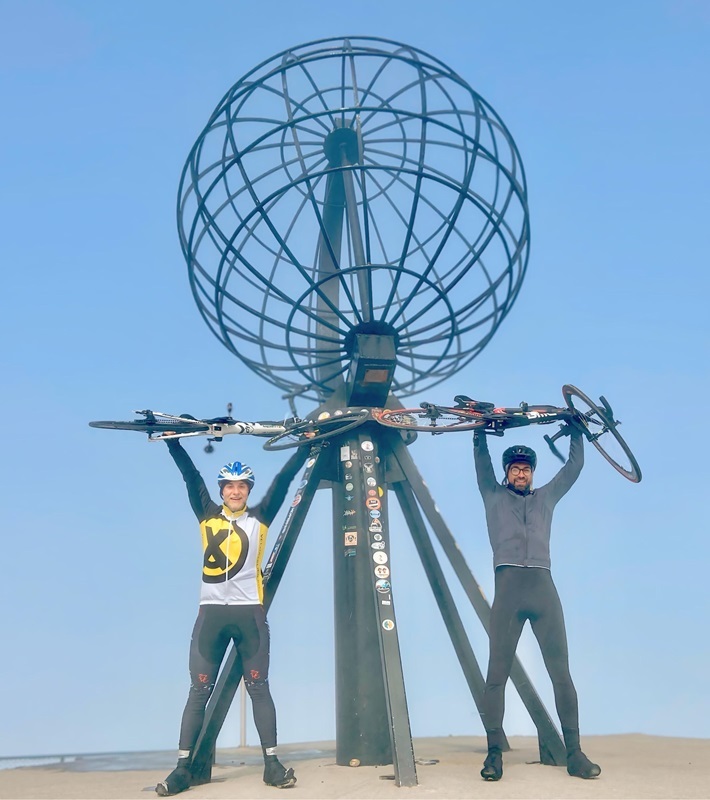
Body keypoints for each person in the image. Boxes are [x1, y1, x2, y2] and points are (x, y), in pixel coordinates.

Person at [156, 438, 307, 796]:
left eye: (241, 486)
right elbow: (190, 477)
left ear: (248, 490)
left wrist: (305, 447)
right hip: (210, 616)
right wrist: (173, 443)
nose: (235, 491)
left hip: (248, 615)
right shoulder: (207, 514)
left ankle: (272, 765)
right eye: (229, 486)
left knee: (258, 688)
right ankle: (181, 771)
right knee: (198, 693)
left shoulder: (260, 517)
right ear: (222, 490)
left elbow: (284, 480)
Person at [473, 425, 601, 782]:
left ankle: (574, 753)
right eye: (514, 468)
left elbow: (572, 471)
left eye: (525, 468)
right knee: (496, 674)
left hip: (543, 589)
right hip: (509, 590)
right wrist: (479, 434)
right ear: (506, 473)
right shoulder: (492, 495)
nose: (520, 472)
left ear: (532, 473)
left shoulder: (546, 497)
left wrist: (577, 434)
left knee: (561, 672)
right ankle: (494, 754)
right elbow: (481, 465)